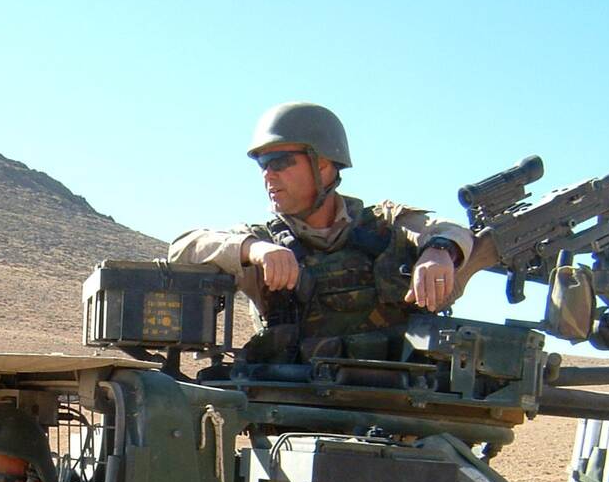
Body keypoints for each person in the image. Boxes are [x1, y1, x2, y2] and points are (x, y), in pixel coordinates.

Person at [169, 102, 475, 362]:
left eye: (280, 162)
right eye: (262, 164)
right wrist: (254, 249)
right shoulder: (260, 241)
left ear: (324, 164)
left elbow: (450, 229)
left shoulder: (386, 223)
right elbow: (184, 248)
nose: (268, 175)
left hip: (401, 402)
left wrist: (440, 250)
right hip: (293, 403)